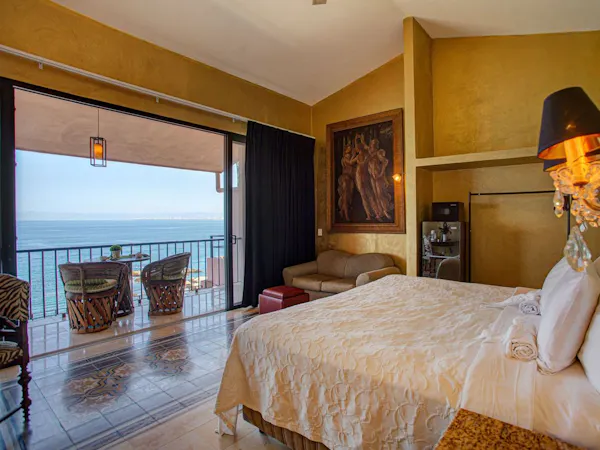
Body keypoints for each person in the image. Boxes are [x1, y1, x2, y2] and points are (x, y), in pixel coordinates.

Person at [337, 138, 356, 221]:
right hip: (345, 178)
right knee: (345, 196)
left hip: (350, 179)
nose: (350, 149)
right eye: (348, 148)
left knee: (348, 197)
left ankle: (342, 211)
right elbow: (350, 162)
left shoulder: (349, 156)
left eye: (350, 148)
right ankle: (346, 214)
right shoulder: (345, 157)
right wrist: (355, 155)